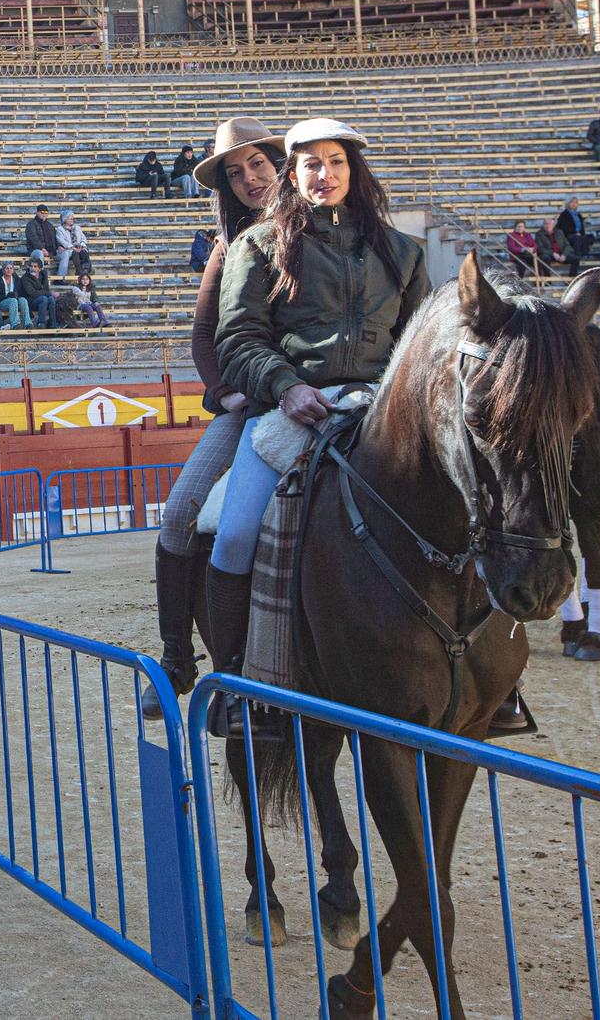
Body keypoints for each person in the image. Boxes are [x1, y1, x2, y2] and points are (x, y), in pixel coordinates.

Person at [210, 118, 430, 736]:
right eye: (311, 164)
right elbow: (238, 340)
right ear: (294, 173)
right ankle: (234, 682)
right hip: (290, 410)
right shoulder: (258, 246)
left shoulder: (404, 252)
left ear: (353, 170)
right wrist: (287, 386)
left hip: (383, 410)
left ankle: (496, 681)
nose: (324, 174)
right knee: (233, 538)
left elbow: (419, 344)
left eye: (335, 162)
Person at [141, 117, 285, 720]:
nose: (250, 178)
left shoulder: (329, 230)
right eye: (236, 171)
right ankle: (178, 656)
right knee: (179, 516)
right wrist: (226, 394)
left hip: (333, 390)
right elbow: (205, 334)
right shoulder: (231, 246)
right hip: (254, 401)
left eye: (258, 164)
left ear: (279, 164)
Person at [15, 256, 55, 328]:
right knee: (44, 298)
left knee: (51, 299)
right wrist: (47, 293)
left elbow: (46, 290)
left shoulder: (43, 275)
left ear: (39, 269)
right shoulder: (25, 278)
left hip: (41, 301)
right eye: (31, 266)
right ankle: (41, 323)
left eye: (35, 266)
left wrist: (47, 293)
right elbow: (32, 293)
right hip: (30, 302)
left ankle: (53, 324)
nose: (32, 268)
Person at [0, 262, 31, 328]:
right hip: (2, 302)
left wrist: (16, 295)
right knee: (13, 300)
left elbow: (20, 292)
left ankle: (28, 323)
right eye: (7, 268)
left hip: (15, 300)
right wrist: (7, 296)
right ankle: (15, 324)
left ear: (13, 270)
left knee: (23, 300)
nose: (9, 270)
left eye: (11, 268)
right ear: (3, 270)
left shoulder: (16, 279)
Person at [54, 211, 92, 278]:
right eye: (70, 219)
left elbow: (83, 238)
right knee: (75, 253)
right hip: (68, 249)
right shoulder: (60, 229)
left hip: (79, 247)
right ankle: (79, 271)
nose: (72, 220)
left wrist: (82, 246)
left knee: (84, 252)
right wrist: (72, 247)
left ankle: (86, 270)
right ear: (65, 219)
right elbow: (62, 241)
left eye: (73, 219)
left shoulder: (77, 228)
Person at [555, 198, 591, 262]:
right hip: (567, 235)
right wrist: (574, 232)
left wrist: (580, 233)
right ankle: (578, 256)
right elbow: (563, 227)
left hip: (578, 234)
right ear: (568, 204)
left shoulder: (578, 215)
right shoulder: (564, 214)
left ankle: (585, 255)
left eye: (576, 202)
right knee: (577, 238)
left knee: (587, 237)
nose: (574, 204)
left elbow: (582, 228)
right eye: (572, 202)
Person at [24, 204, 59, 269]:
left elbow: (55, 238)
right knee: (40, 254)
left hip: (50, 251)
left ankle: (61, 277)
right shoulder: (31, 224)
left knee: (65, 255)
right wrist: (42, 248)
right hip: (34, 250)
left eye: (46, 213)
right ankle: (41, 276)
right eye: (42, 212)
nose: (44, 214)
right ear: (37, 212)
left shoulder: (49, 225)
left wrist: (59, 247)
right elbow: (33, 239)